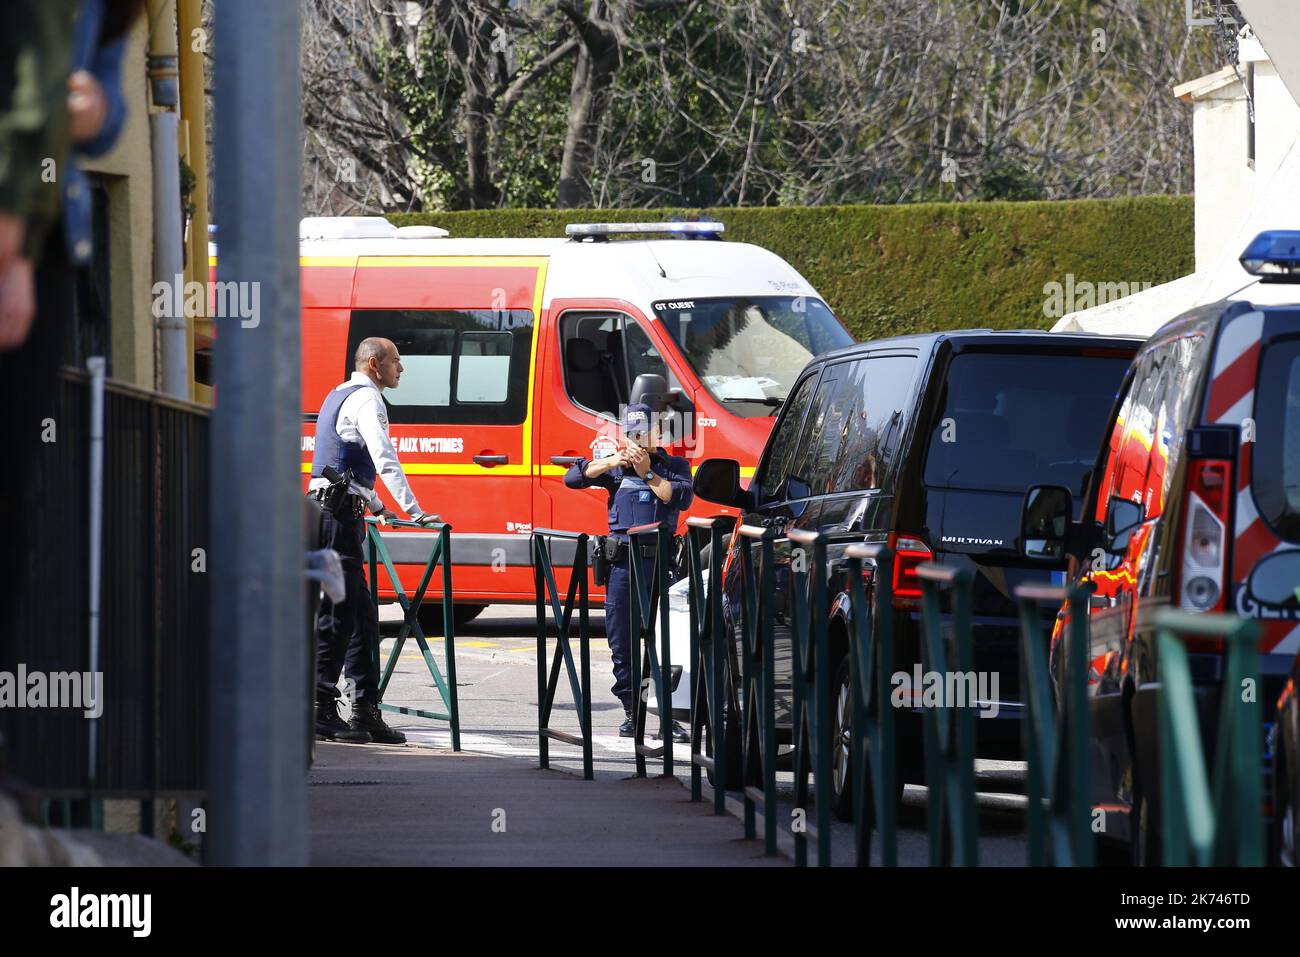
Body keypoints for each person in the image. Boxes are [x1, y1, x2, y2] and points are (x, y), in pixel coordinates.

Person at [308, 336, 442, 744]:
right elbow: (383, 455)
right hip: (335, 518)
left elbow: (345, 466)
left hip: (335, 514)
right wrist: (413, 509)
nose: (401, 369)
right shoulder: (368, 400)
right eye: (396, 361)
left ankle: (363, 710)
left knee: (363, 617)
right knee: (340, 612)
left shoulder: (340, 392)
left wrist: (377, 504)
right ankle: (318, 706)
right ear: (373, 363)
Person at [564, 403, 693, 740]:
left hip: (659, 568)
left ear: (657, 433)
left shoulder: (673, 465)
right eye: (631, 433)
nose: (636, 439)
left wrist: (649, 471)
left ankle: (667, 715)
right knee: (622, 643)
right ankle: (631, 712)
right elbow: (573, 478)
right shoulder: (617, 470)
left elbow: (677, 497)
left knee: (662, 644)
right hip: (621, 567)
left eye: (643, 432)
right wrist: (611, 461)